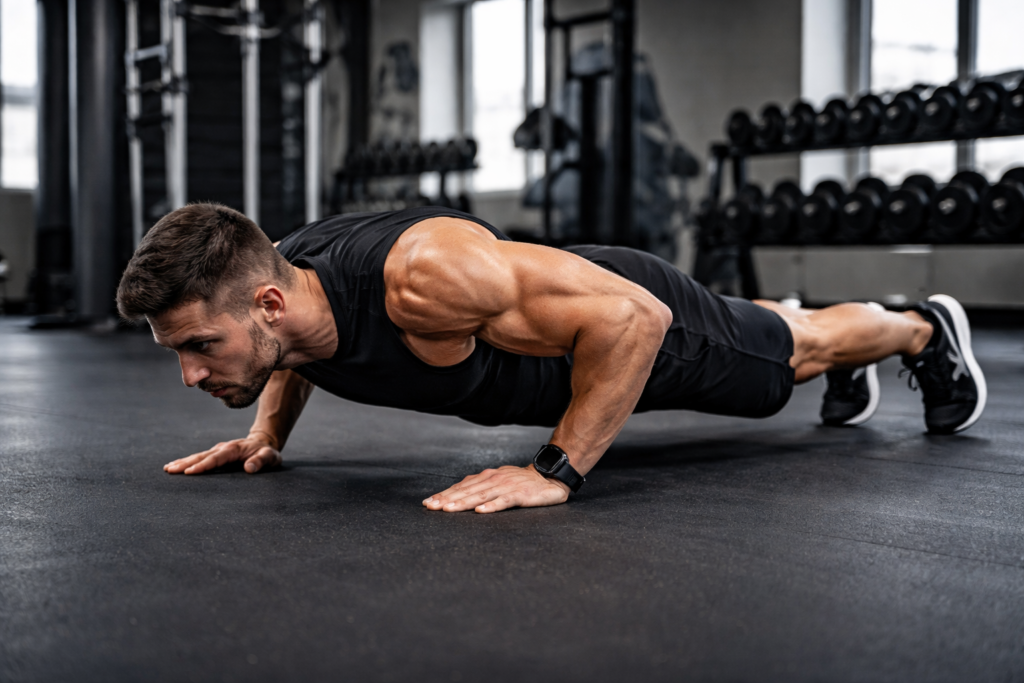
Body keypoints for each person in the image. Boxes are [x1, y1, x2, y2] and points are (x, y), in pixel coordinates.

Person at [116, 203, 986, 514]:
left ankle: (916, 327)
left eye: (200, 347)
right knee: (758, 325)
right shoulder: (286, 289)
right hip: (560, 306)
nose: (191, 375)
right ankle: (827, 328)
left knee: (785, 361)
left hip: (627, 317)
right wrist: (269, 431)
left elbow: (632, 316)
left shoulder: (421, 278)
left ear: (265, 302)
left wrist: (557, 470)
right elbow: (297, 353)